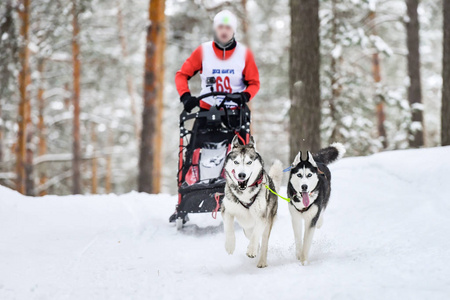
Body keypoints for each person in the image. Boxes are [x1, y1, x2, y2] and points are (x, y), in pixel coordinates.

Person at [175, 10, 260, 112]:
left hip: (235, 110)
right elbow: (181, 75)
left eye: (228, 27)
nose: (224, 31)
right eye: (220, 27)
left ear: (234, 31)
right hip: (208, 108)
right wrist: (185, 97)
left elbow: (254, 83)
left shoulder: (244, 53)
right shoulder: (203, 51)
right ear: (215, 29)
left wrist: (245, 96)